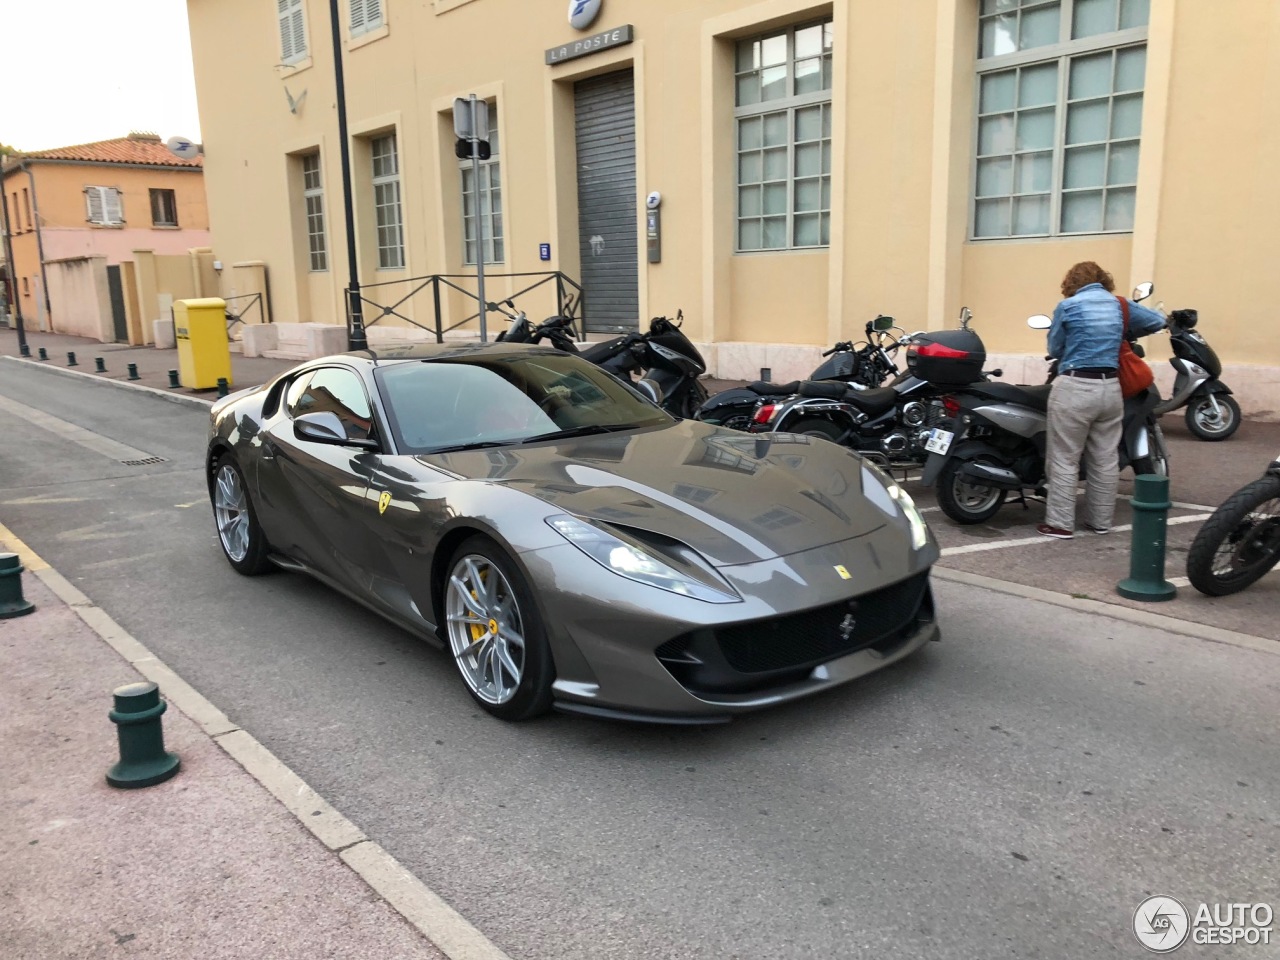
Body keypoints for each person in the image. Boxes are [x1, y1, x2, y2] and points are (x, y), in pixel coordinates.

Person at [1038, 261, 1165, 540]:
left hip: (1075, 386)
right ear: (1103, 280)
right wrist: (1126, 333)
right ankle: (1100, 522)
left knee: (1064, 457)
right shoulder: (1119, 305)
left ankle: (1060, 524)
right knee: (1105, 458)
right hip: (1111, 389)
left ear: (1072, 283)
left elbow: (1054, 347)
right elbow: (1157, 321)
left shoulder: (1068, 307)